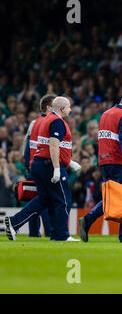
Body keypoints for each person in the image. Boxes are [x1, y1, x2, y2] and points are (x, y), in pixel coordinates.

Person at [5, 97, 81, 241]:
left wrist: (69, 162)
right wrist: (58, 169)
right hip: (50, 164)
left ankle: (14, 222)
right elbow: (53, 145)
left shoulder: (44, 120)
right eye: (69, 107)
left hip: (39, 163)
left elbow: (45, 145)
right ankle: (61, 235)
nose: (70, 110)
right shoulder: (57, 121)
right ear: (62, 109)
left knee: (44, 199)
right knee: (63, 199)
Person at [78, 91, 122, 243]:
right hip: (119, 162)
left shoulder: (106, 114)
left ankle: (88, 220)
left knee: (112, 198)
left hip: (104, 162)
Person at [22, 94, 55, 237]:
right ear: (49, 107)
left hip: (33, 166)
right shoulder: (50, 122)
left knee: (35, 199)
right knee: (45, 200)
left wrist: (29, 166)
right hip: (44, 165)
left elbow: (27, 147)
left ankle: (34, 233)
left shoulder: (34, 123)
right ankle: (49, 232)